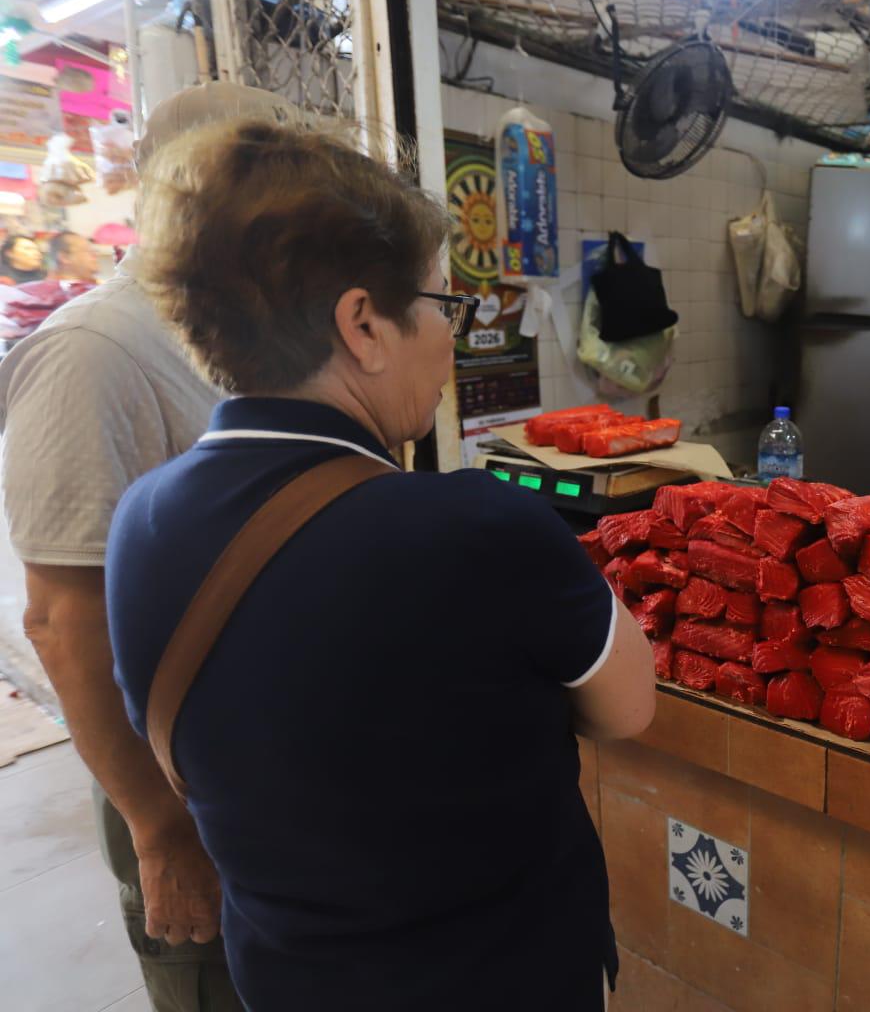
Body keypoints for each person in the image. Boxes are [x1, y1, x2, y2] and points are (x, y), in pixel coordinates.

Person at [105, 118, 655, 1011]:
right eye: (444, 305)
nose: (448, 342)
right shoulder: (480, 528)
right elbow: (630, 708)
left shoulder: (139, 523)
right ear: (363, 324)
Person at [0, 83, 304, 1012]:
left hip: (279, 766)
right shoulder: (96, 350)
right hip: (182, 787)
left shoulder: (242, 341)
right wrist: (158, 826)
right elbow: (61, 620)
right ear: (175, 186)